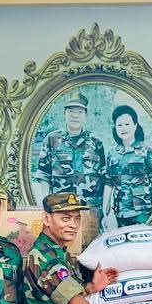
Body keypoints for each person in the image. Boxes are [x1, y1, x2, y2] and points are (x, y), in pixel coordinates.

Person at [34, 93, 107, 222]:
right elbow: (44, 176)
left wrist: (105, 213)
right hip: (61, 209)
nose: (75, 116)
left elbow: (104, 177)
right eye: (71, 111)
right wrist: (45, 207)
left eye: (80, 112)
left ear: (86, 115)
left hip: (90, 210)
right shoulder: (52, 140)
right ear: (64, 114)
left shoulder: (96, 142)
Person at [102, 104, 152, 227]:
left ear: (135, 126)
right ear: (115, 128)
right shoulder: (112, 154)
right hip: (121, 213)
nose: (123, 128)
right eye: (119, 125)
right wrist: (105, 212)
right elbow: (109, 183)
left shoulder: (146, 151)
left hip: (143, 212)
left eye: (127, 124)